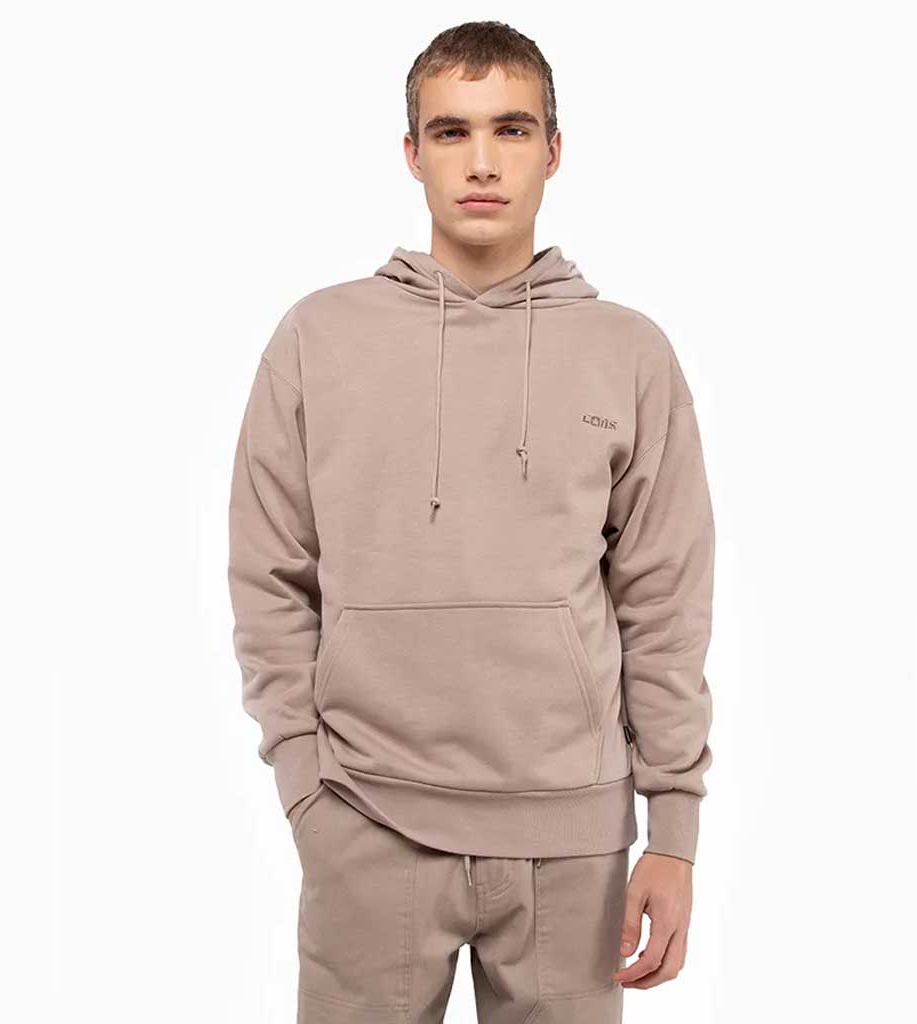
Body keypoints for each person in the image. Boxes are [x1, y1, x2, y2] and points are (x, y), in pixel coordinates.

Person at [227, 19, 715, 1023]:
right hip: (366, 817)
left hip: (572, 842)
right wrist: (306, 785)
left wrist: (673, 829)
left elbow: (665, 600)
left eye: (511, 129)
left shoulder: (628, 354)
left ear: (554, 150)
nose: (482, 163)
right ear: (412, 153)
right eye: (451, 132)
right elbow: (269, 572)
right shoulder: (320, 338)